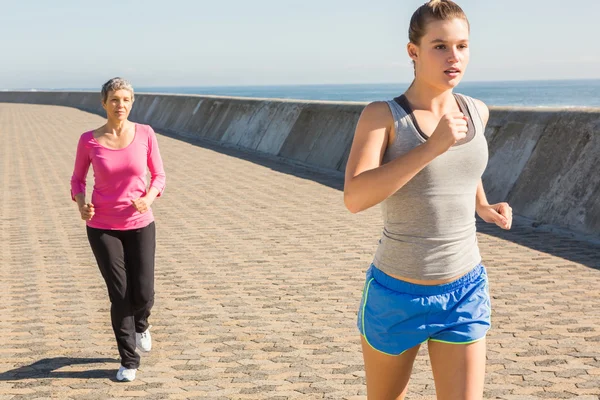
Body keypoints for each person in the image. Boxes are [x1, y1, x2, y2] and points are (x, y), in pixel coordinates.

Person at [344, 1, 512, 399]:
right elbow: (355, 197)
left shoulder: (476, 111)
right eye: (439, 46)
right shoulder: (382, 117)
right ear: (413, 52)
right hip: (397, 292)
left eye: (462, 46)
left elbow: (465, 168)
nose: (454, 57)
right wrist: (430, 148)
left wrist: (483, 206)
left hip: (465, 287)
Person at [70, 77, 166, 382]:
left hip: (140, 224)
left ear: (132, 102)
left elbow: (159, 175)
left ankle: (142, 324)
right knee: (120, 293)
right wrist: (81, 204)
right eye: (114, 99)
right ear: (103, 103)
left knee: (144, 292)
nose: (120, 105)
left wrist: (148, 197)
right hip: (102, 226)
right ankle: (128, 360)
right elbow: (77, 180)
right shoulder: (89, 140)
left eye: (125, 99)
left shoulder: (146, 134)